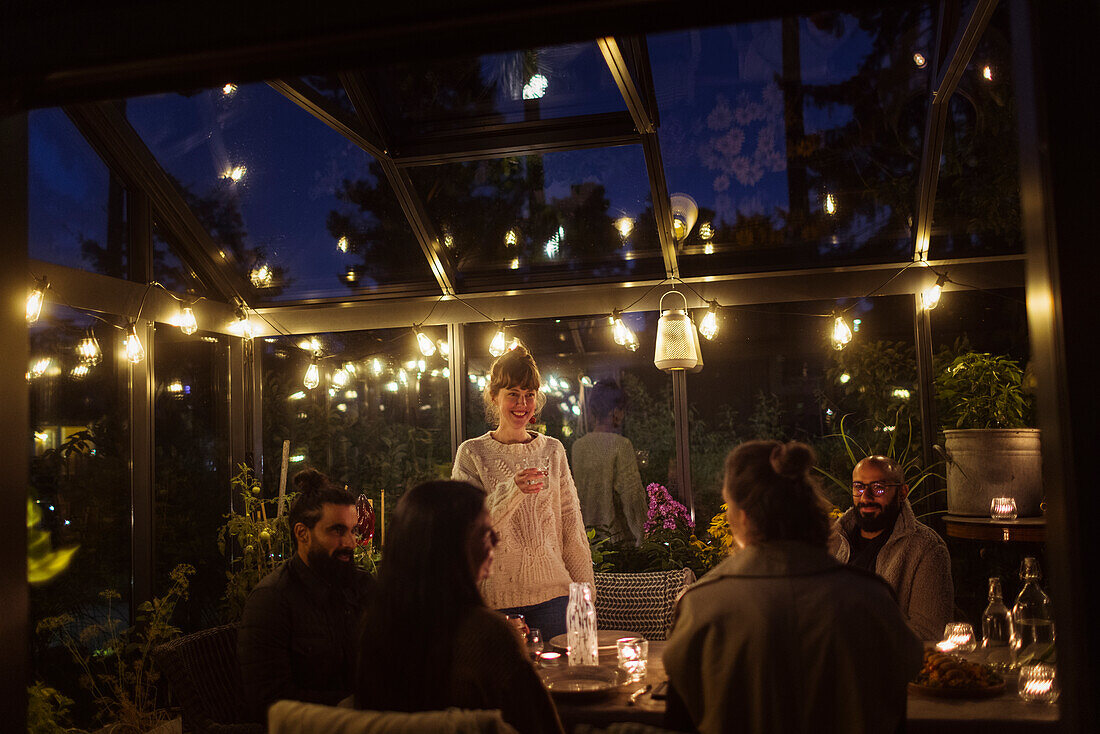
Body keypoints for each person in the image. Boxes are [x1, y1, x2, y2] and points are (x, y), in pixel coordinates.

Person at [663, 440, 922, 734]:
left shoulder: (701, 606)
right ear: (810, 510)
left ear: (741, 516)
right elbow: (896, 709)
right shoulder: (873, 599)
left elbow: (679, 723)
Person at [355, 480, 564, 734]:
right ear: (451, 545)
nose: (497, 540)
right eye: (485, 532)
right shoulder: (486, 635)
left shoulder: (375, 627)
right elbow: (541, 726)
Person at [451, 346, 593, 640]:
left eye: (529, 394)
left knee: (560, 682)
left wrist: (585, 595)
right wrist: (513, 490)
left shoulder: (553, 450)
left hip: (554, 596)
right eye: (513, 393)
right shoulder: (471, 453)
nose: (522, 403)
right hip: (495, 601)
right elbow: (467, 529)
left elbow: (571, 524)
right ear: (494, 397)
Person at [238, 469, 373, 723]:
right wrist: (349, 707)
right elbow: (267, 702)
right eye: (337, 531)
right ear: (302, 533)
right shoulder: (272, 600)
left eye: (353, 531)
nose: (350, 543)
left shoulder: (362, 585)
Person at [832, 455, 954, 640]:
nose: (866, 496)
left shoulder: (926, 549)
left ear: (903, 492)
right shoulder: (831, 541)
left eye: (879, 488)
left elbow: (928, 631)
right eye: (859, 487)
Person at [570, 380, 647, 545]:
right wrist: (644, 535)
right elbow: (632, 496)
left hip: (585, 539)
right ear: (615, 411)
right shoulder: (621, 444)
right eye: (622, 410)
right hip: (615, 540)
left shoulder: (578, 447)